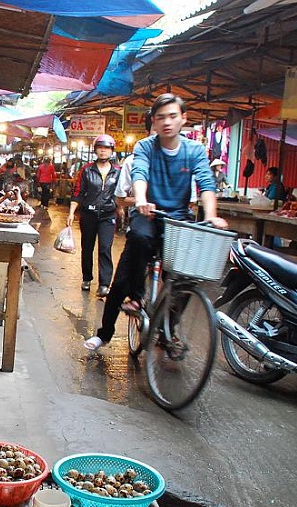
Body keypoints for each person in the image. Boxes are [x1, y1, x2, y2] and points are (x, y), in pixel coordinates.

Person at [84, 93, 227, 351]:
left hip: (179, 220)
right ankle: (109, 329)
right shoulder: (145, 146)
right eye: (160, 117)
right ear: (154, 121)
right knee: (125, 274)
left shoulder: (194, 150)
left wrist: (211, 217)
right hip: (148, 213)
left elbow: (206, 183)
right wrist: (140, 199)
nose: (167, 122)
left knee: (184, 280)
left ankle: (167, 330)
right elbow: (139, 172)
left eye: (173, 116)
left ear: (183, 119)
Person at [68, 135, 121, 297]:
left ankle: (105, 284)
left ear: (112, 151)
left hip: (108, 215)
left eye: (107, 148)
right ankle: (86, 278)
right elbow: (78, 192)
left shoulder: (118, 171)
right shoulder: (86, 169)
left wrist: (121, 208)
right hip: (88, 214)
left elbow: (121, 193)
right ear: (95, 150)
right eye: (100, 147)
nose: (103, 150)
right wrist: (71, 213)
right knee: (88, 247)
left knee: (105, 248)